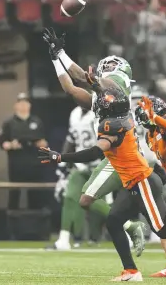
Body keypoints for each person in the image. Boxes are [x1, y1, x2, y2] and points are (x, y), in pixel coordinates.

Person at [43, 27, 166, 278]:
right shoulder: (102, 100)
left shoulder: (116, 95)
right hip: (125, 168)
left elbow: (83, 79)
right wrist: (56, 59)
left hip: (135, 171)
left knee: (161, 228)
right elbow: (70, 87)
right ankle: (132, 268)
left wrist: (62, 53)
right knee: (115, 219)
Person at [52, 105, 102, 250]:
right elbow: (71, 139)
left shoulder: (98, 113)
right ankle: (63, 239)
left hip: (99, 163)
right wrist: (63, 164)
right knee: (70, 196)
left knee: (100, 203)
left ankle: (128, 229)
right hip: (80, 163)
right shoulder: (74, 113)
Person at [0, 93, 48, 210]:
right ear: (16, 105)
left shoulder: (37, 121)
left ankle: (36, 222)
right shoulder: (9, 123)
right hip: (17, 164)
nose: (23, 105)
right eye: (21, 103)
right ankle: (13, 223)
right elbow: (2, 142)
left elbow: (44, 142)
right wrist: (11, 145)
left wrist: (41, 144)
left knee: (35, 196)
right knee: (14, 194)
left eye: (26, 103)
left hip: (34, 164)